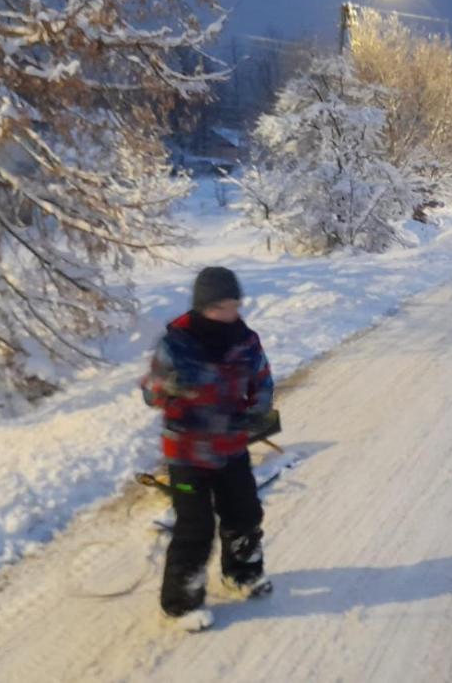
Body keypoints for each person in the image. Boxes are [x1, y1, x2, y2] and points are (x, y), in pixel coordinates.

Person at [140, 266, 275, 630]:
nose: (228, 312)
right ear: (202, 306)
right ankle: (181, 603)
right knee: (194, 526)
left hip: (231, 446)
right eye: (220, 306)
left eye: (233, 304)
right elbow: (149, 393)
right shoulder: (175, 343)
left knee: (245, 513)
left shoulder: (246, 340)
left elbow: (261, 378)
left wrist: (258, 410)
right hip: (187, 452)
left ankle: (242, 573)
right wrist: (165, 384)